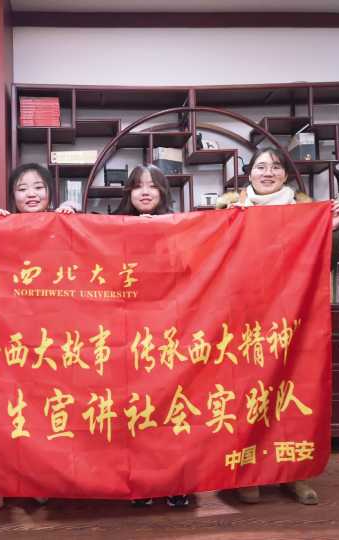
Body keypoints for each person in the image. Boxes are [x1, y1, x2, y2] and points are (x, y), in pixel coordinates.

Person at [223, 146, 339, 506]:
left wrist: (333, 231)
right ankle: (249, 474)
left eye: (275, 167)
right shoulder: (229, 211)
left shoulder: (305, 212)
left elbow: (327, 261)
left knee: (294, 393)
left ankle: (296, 474)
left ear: (286, 175)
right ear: (249, 174)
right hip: (244, 317)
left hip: (294, 317)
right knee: (248, 396)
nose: (268, 172)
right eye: (261, 166)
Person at [0, 163, 75, 512]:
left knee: (42, 409)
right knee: (1, 406)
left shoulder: (64, 225)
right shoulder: (0, 226)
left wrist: (76, 220)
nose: (31, 194)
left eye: (38, 187)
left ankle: (38, 478)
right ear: (12, 195)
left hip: (50, 336)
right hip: (6, 331)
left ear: (50, 192)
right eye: (22, 188)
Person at [113, 163, 190, 509]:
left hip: (170, 328)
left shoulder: (180, 226)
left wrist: (159, 235)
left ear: (163, 192)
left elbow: (190, 268)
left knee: (172, 407)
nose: (145, 192)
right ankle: (142, 483)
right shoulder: (110, 227)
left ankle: (177, 481)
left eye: (152, 186)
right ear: (128, 193)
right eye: (137, 186)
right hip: (127, 331)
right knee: (135, 410)